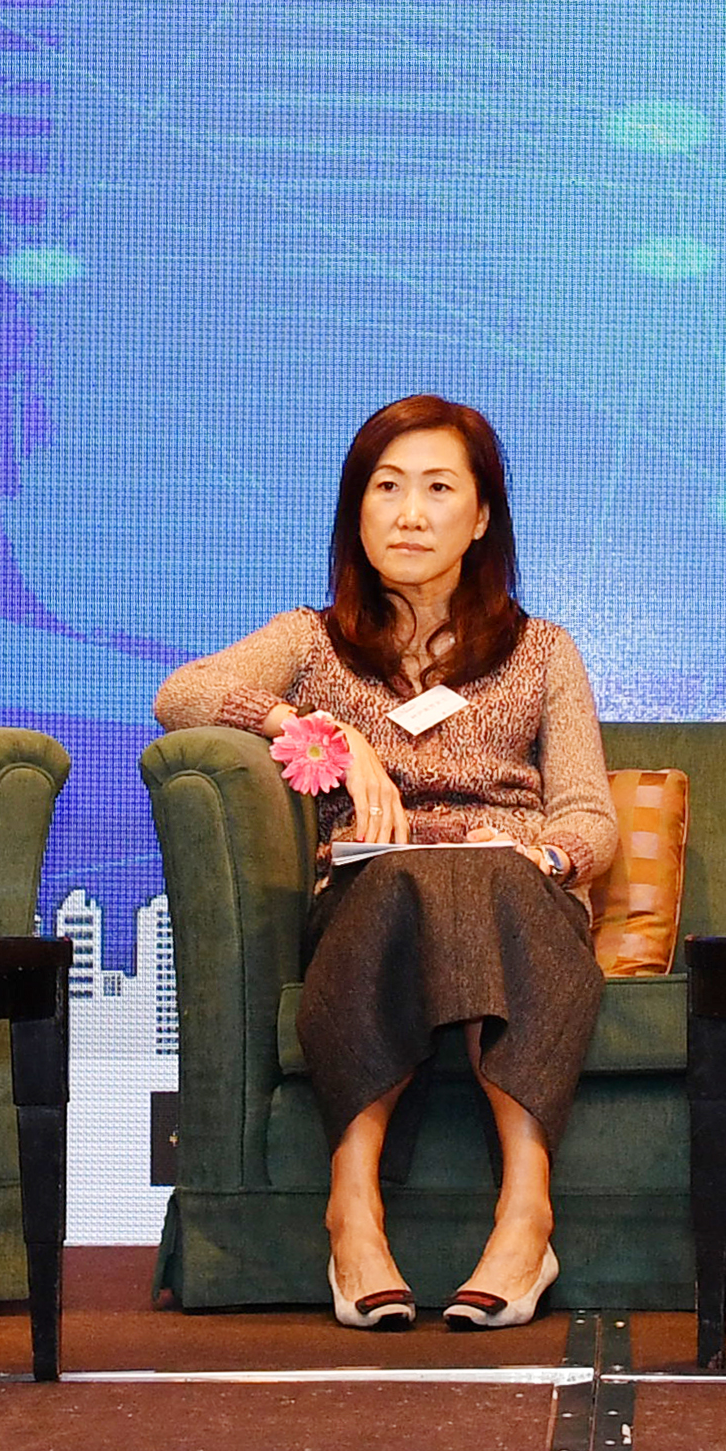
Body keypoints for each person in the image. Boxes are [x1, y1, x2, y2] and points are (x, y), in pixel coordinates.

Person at [157, 395, 615, 1333]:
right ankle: (352, 1205)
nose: (410, 512)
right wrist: (310, 725)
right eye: (387, 487)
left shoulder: (543, 651)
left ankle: (526, 1212)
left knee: (486, 875)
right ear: (355, 510)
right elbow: (182, 692)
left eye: (439, 488)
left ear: (481, 517)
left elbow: (589, 816)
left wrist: (546, 853)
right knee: (402, 874)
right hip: (375, 891)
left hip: (519, 889)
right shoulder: (309, 639)